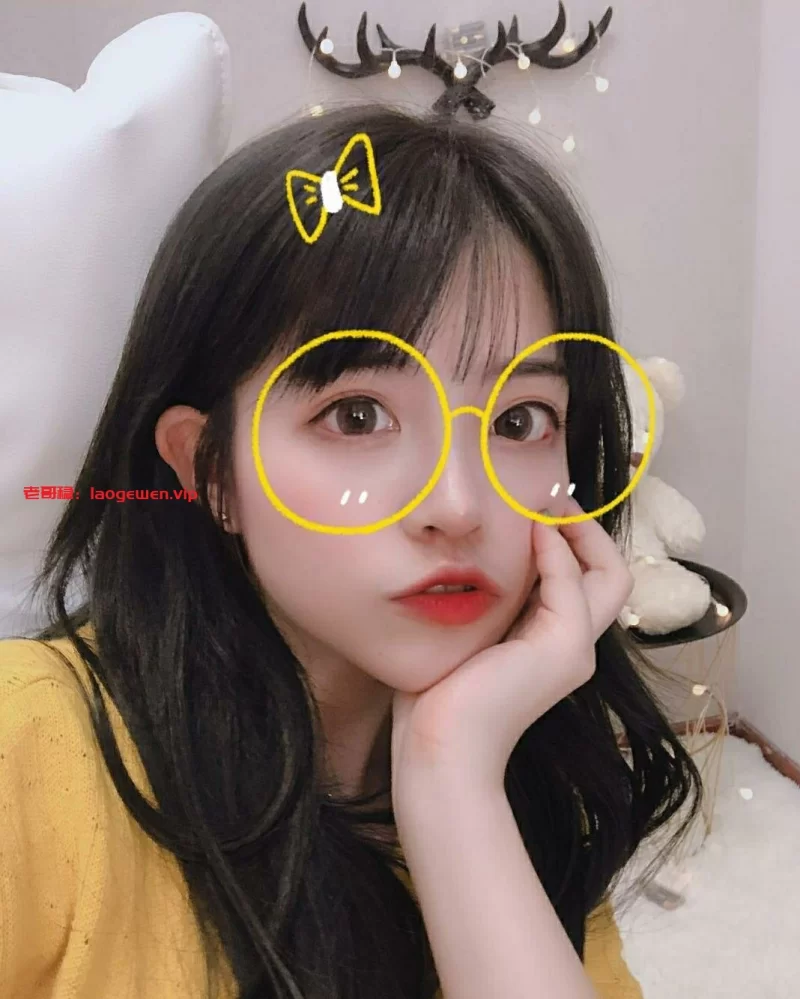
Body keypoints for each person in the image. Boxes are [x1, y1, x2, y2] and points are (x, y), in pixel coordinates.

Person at [0, 103, 702, 999]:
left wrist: (454, 780)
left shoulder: (531, 769)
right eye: (357, 415)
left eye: (521, 420)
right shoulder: (29, 744)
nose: (457, 505)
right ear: (210, 469)